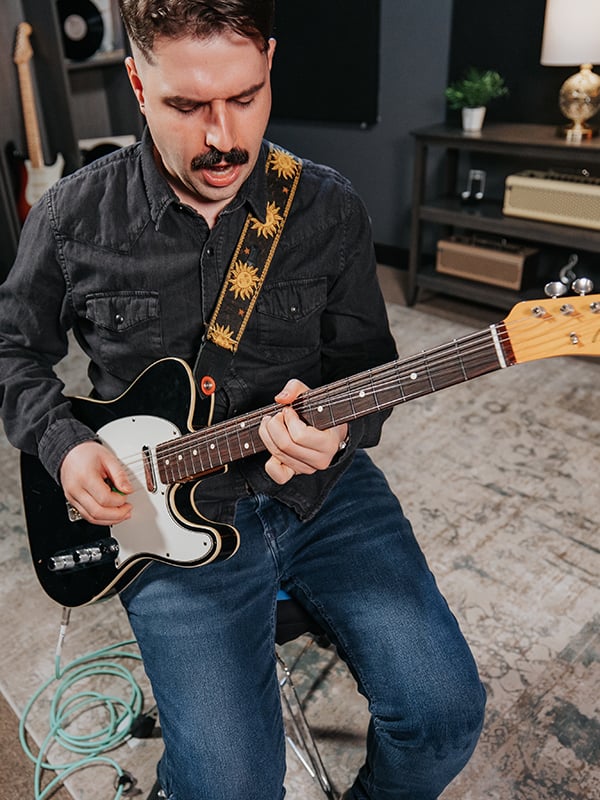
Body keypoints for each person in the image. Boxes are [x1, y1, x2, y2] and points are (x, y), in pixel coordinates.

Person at [0, 1, 486, 797]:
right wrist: (64, 445)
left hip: (322, 497)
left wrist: (342, 428)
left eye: (246, 97)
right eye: (186, 106)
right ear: (136, 81)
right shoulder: (69, 218)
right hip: (165, 518)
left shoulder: (328, 207)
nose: (222, 137)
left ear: (269, 65)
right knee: (229, 785)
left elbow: (367, 362)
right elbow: (13, 348)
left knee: (445, 714)